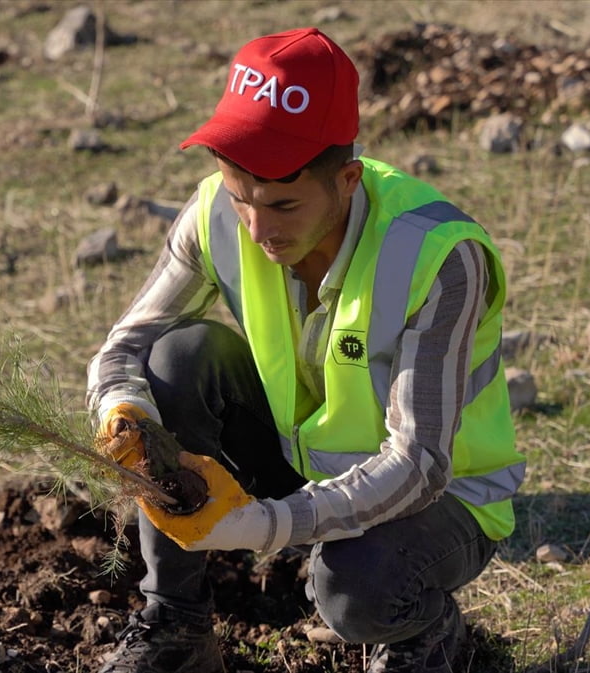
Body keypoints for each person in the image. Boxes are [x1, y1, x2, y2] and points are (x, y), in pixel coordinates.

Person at [87, 28, 526, 673]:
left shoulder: (435, 254)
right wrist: (123, 412)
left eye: (283, 204)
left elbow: (420, 463)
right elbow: (125, 346)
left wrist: (266, 525)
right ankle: (175, 626)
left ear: (347, 180)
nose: (259, 229)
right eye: (241, 198)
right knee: (173, 362)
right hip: (302, 462)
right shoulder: (216, 212)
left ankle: (424, 634)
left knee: (356, 589)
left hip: (442, 497)